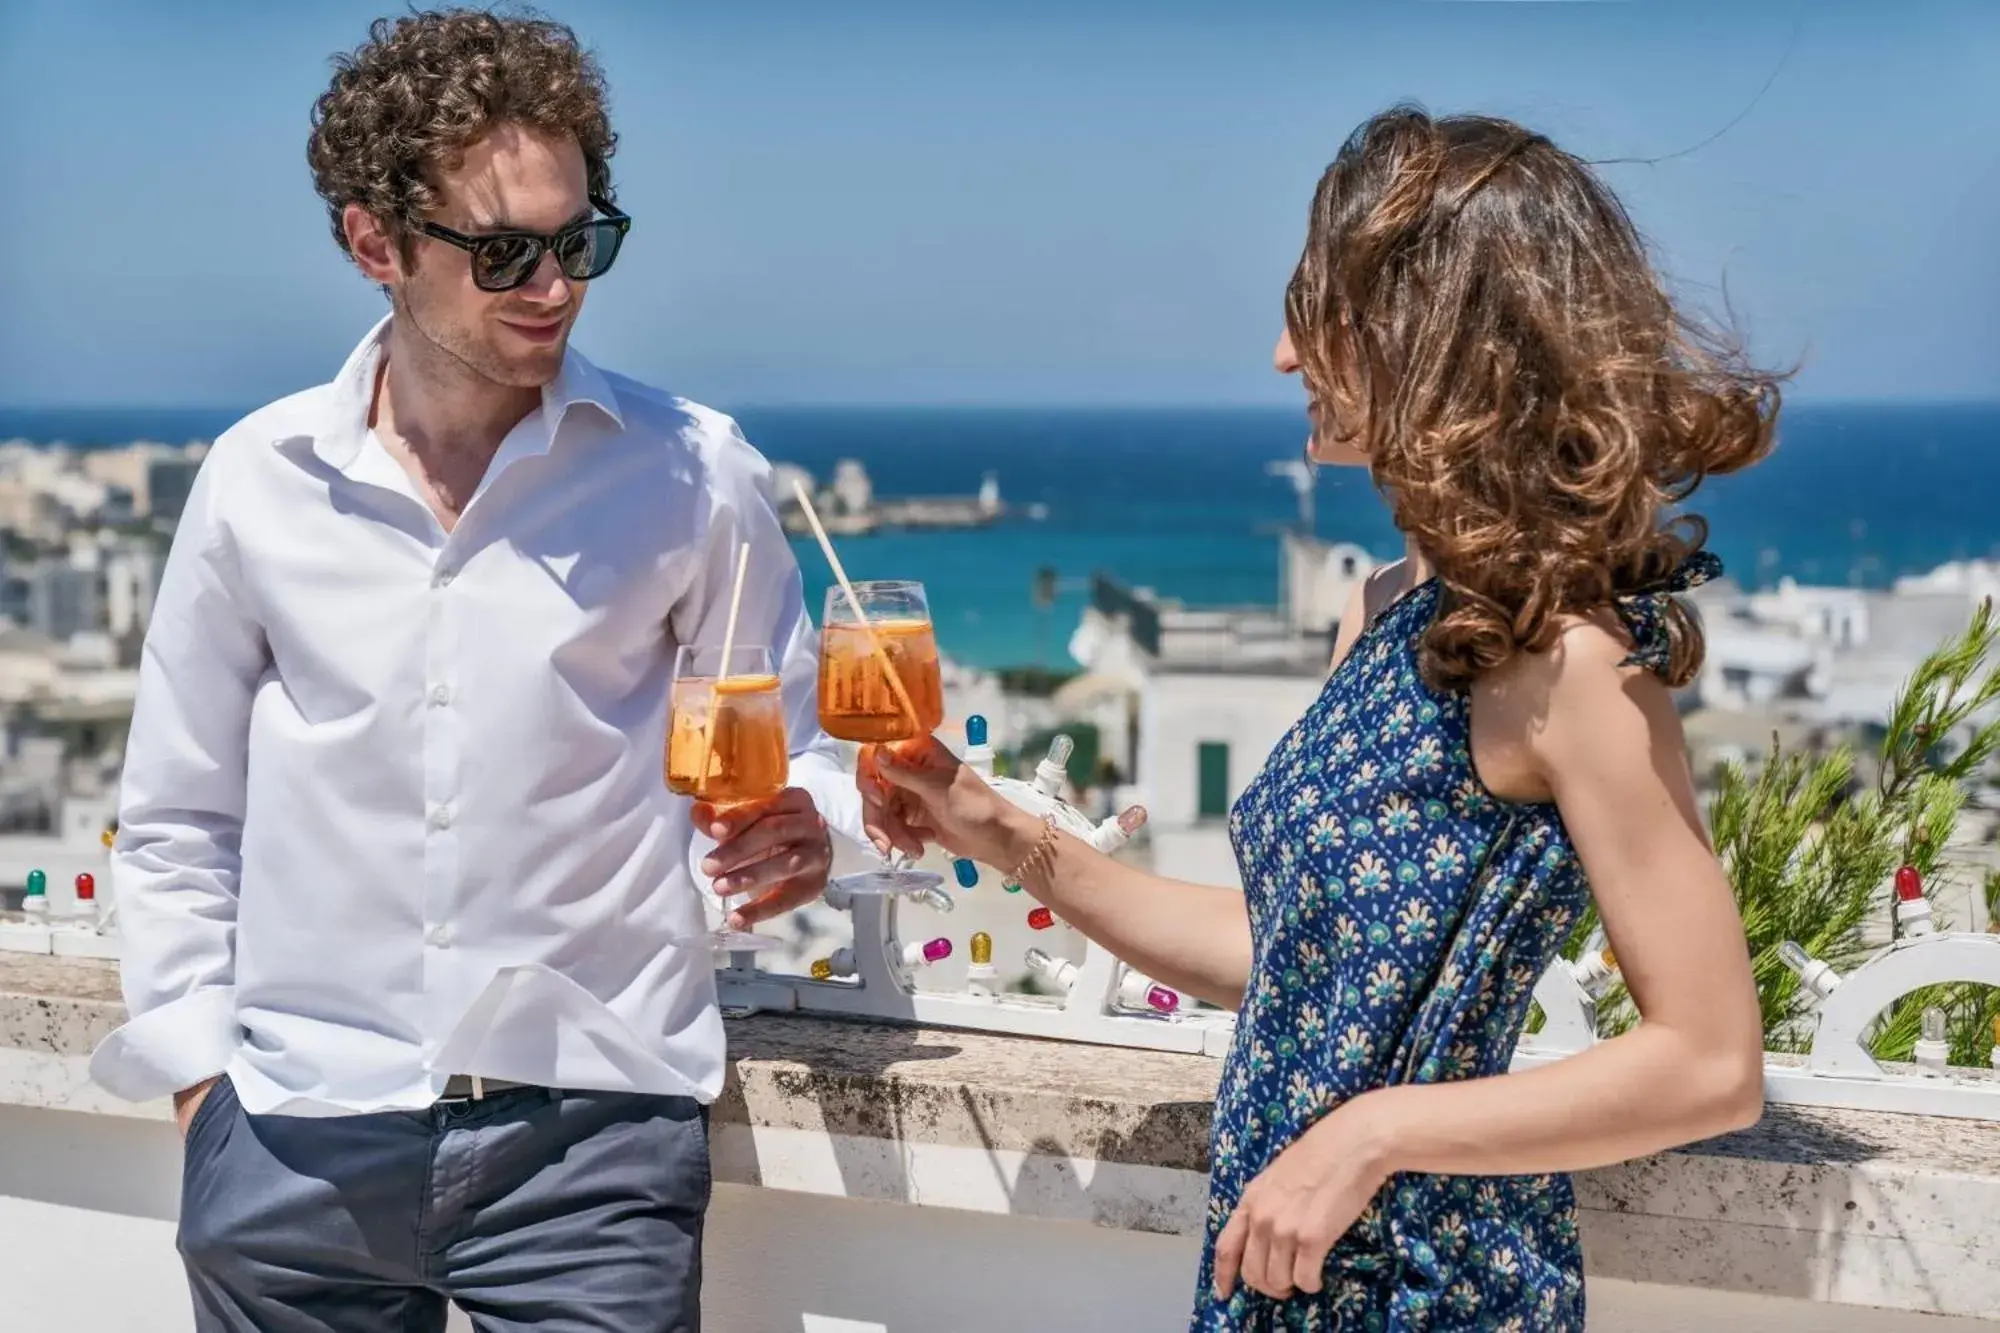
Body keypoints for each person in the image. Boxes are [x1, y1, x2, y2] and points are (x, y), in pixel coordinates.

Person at [861, 105, 1776, 1331]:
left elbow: (1708, 1061)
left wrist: (1370, 1135)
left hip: (1431, 1287)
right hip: (1281, 1270)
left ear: (1429, 339)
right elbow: (1299, 958)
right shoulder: (1392, 608)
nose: (1284, 355)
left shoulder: (1570, 663)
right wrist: (993, 829)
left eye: (1317, 312)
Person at [87, 10, 857, 1331]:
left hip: (593, 1148)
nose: (553, 286)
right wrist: (205, 1095)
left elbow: (815, 765)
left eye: (579, 241)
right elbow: (176, 818)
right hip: (290, 1148)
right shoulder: (256, 484)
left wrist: (812, 834)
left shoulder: (691, 472)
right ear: (372, 243)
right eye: (503, 253)